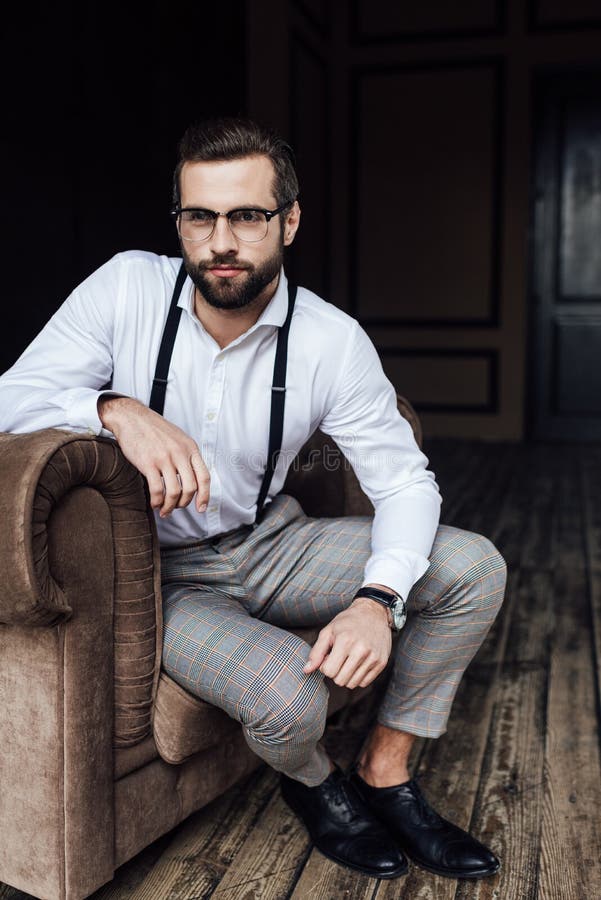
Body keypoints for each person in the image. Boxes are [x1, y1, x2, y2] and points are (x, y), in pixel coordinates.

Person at [0, 117, 507, 882]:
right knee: (289, 705)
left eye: (247, 216)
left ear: (289, 220)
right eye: (198, 217)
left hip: (271, 542)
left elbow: (403, 480)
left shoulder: (329, 341)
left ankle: (383, 771)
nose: (220, 241)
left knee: (473, 568)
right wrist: (114, 410)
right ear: (179, 222)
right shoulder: (127, 286)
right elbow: (11, 397)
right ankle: (311, 782)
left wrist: (377, 597)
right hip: (159, 579)